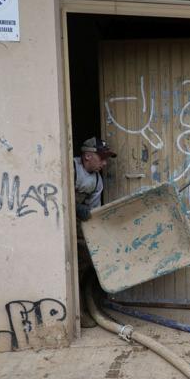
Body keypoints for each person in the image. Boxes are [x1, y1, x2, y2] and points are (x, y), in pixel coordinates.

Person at [74, 136, 117, 328]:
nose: (105, 162)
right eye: (102, 157)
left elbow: (93, 214)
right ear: (88, 156)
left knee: (90, 259)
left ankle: (89, 305)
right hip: (58, 223)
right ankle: (78, 310)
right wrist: (74, 207)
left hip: (77, 224)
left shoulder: (97, 180)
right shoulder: (71, 168)